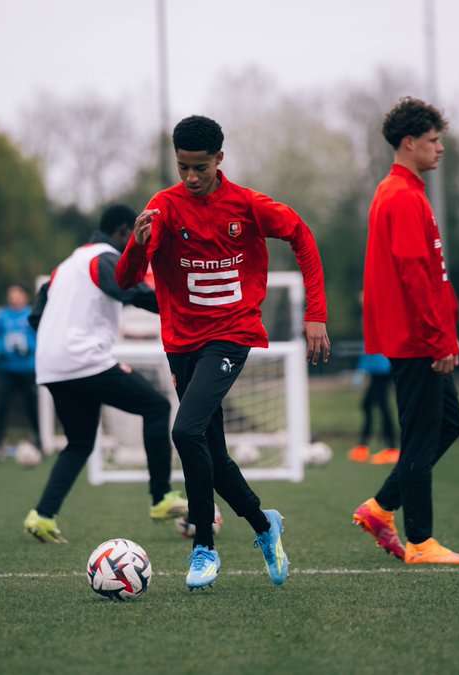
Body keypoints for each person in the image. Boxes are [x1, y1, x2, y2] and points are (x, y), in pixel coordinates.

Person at [116, 115, 331, 590]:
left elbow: (302, 236)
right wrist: (137, 244)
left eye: (200, 167)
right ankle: (262, 524)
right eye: (182, 168)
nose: (191, 177)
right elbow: (127, 281)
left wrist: (316, 311)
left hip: (232, 334)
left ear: (219, 160)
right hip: (181, 343)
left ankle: (203, 548)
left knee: (185, 429)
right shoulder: (163, 208)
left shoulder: (249, 205)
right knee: (208, 449)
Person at [351, 97, 459, 566]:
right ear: (410, 142)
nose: (440, 148)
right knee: (422, 438)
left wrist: (448, 326)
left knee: (448, 424)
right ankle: (421, 543)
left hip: (423, 335)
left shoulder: (404, 190)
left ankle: (381, 506)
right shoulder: (400, 195)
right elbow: (414, 273)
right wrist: (438, 337)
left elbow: (430, 272)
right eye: (433, 140)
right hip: (416, 340)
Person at [23, 205, 188, 543]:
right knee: (156, 406)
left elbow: (35, 316)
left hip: (51, 365)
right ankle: (161, 498)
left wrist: (60, 342)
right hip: (83, 360)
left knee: (80, 442)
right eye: (137, 235)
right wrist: (183, 300)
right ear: (125, 231)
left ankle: (42, 516)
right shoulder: (105, 257)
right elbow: (132, 290)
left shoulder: (66, 265)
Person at [0, 284, 40, 459]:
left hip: (27, 370)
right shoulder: (2, 317)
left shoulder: (31, 315)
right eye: (12, 295)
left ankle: (39, 441)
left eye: (18, 295)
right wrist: (3, 348)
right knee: (2, 405)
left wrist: (28, 348)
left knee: (31, 406)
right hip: (7, 370)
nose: (15, 299)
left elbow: (40, 337)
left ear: (25, 297)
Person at [349, 352, 399, 464]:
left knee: (382, 406)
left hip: (383, 367)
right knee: (369, 405)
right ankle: (363, 446)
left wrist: (363, 368)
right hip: (379, 368)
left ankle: (391, 449)